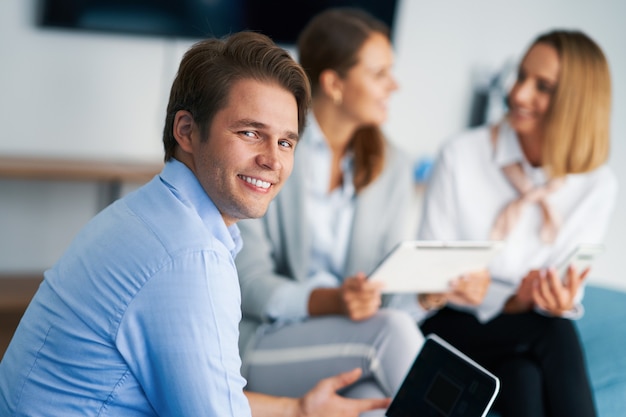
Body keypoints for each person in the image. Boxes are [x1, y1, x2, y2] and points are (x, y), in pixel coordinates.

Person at [0, 31, 390, 417]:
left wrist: (298, 409)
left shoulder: (146, 212)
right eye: (250, 133)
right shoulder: (189, 257)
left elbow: (206, 393)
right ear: (186, 131)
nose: (273, 160)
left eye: (286, 142)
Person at [418, 29, 617, 417]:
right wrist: (509, 301)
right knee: (553, 333)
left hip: (523, 332)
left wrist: (556, 300)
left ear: (576, 104)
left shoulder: (596, 184)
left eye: (542, 86)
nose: (518, 94)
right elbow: (427, 284)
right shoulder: (461, 155)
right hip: (452, 322)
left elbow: (567, 285)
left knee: (523, 377)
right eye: (521, 76)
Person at [235, 8, 426, 409]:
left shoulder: (393, 166)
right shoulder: (274, 152)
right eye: (379, 73)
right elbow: (249, 284)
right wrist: (330, 300)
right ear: (334, 84)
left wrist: (428, 296)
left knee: (378, 399)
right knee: (391, 335)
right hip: (264, 339)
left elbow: (383, 296)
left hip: (349, 340)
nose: (395, 85)